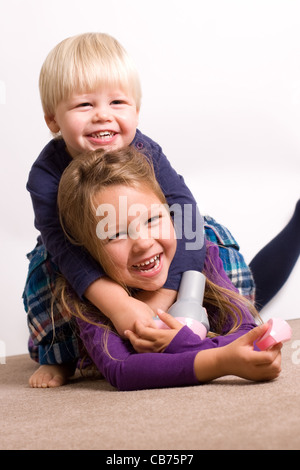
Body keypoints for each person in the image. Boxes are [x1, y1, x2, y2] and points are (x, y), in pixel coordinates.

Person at [23, 32, 298, 388]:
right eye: (84, 106)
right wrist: (120, 306)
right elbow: (64, 247)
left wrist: (162, 298)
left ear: (137, 110)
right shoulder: (46, 175)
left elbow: (183, 211)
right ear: (53, 120)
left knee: (203, 236)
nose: (102, 116)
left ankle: (212, 314)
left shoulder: (146, 150)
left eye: (118, 102)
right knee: (48, 265)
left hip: (159, 257)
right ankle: (60, 355)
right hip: (88, 259)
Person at [54, 146, 282, 391]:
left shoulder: (201, 256)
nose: (142, 242)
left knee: (249, 294)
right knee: (51, 314)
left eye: (152, 219)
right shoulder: (92, 294)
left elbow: (246, 332)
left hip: (221, 256)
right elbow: (122, 369)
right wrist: (219, 360)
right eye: (116, 234)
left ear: (171, 215)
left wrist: (183, 345)